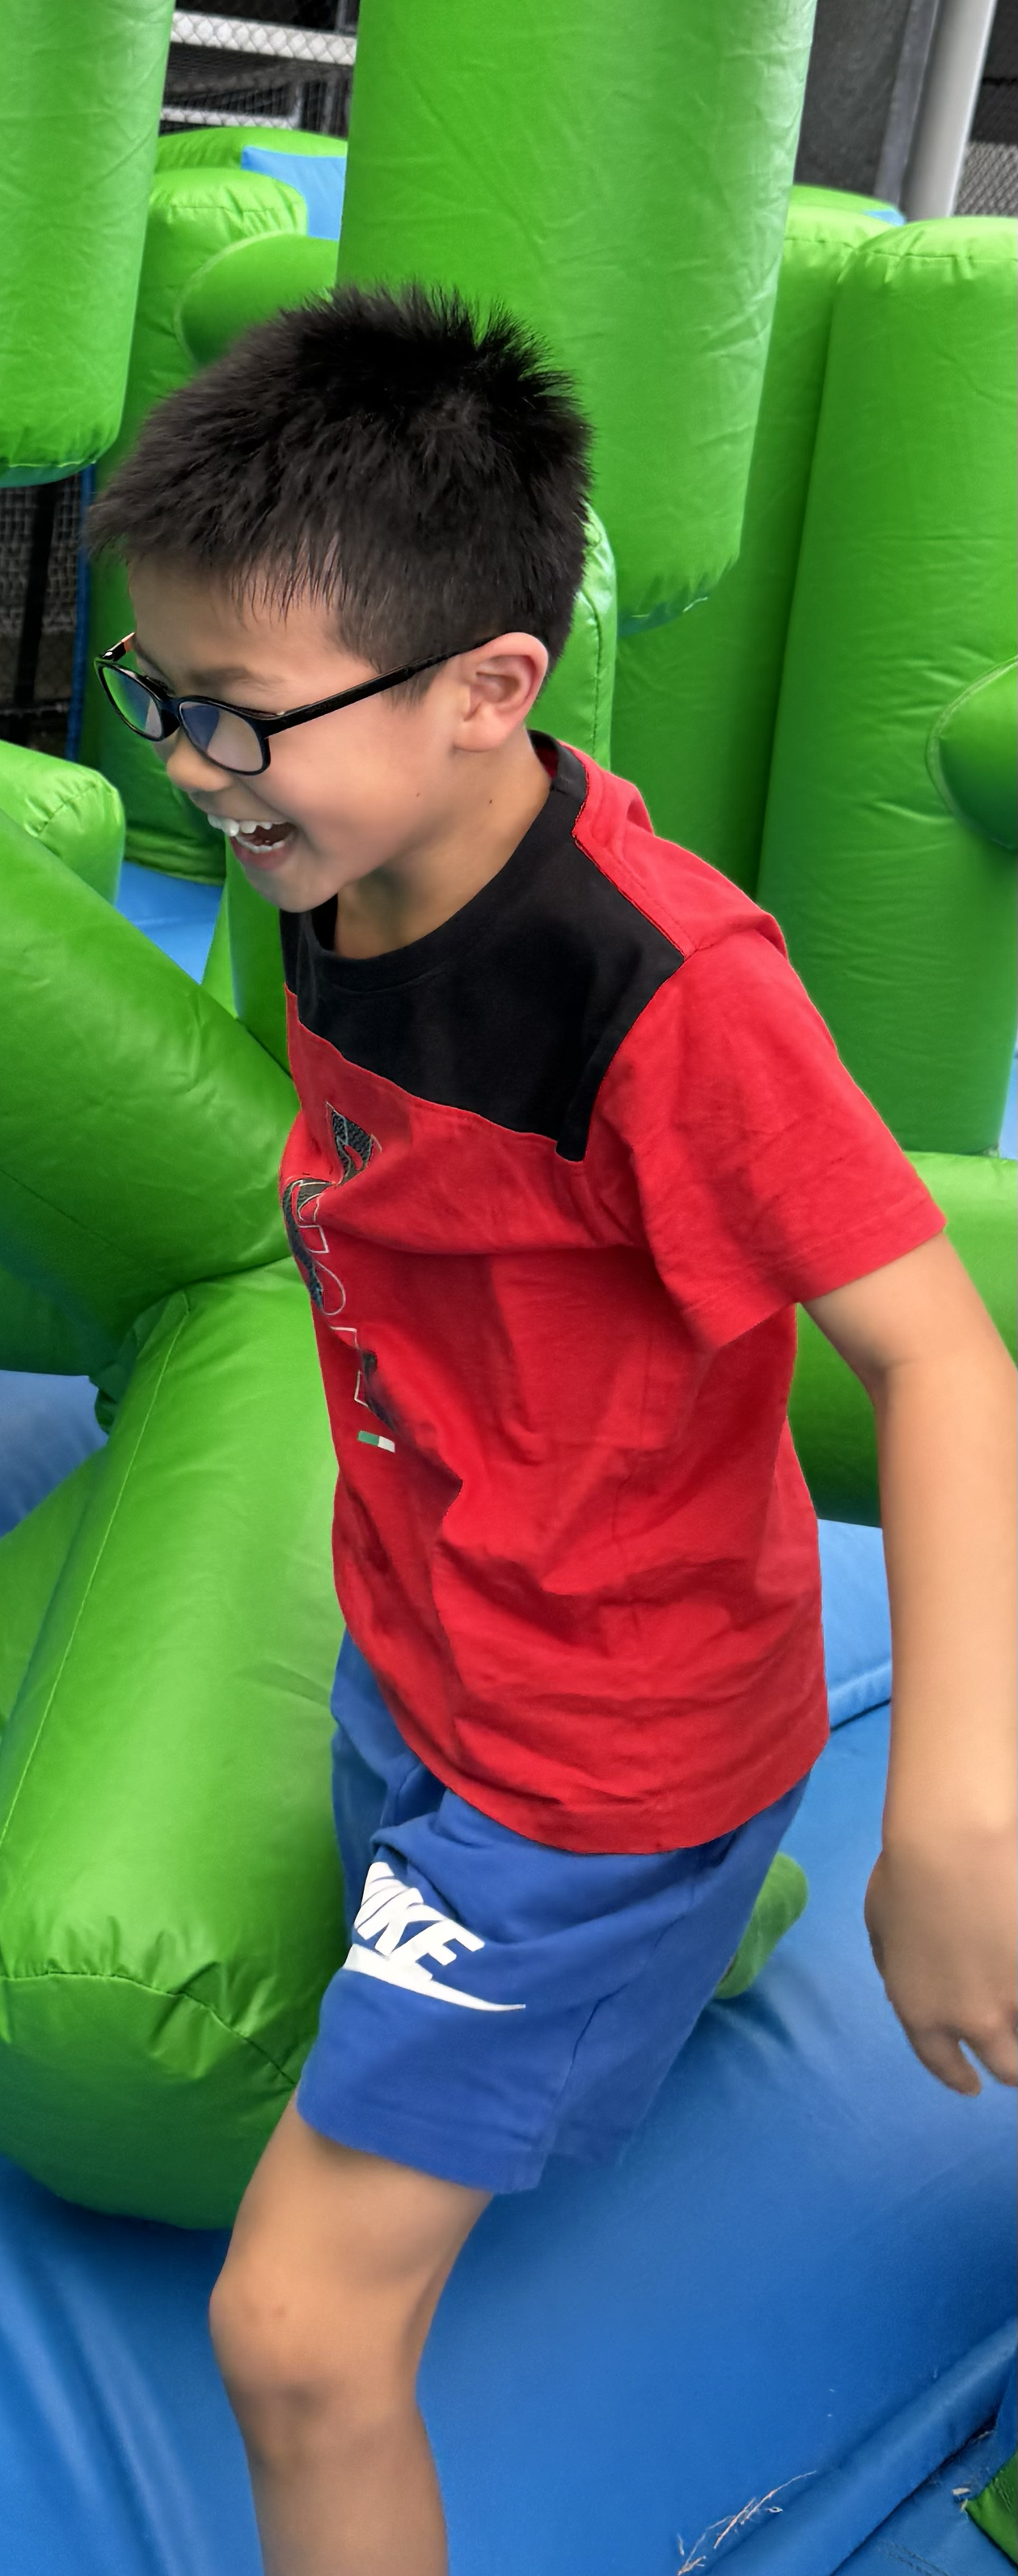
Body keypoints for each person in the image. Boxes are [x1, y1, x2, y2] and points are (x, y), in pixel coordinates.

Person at [90, 286, 1016, 2576]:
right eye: (162, 700)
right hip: (420, 1639)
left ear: (488, 687)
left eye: (241, 719)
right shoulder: (332, 856)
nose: (194, 770)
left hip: (590, 1753)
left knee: (296, 2335)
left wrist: (954, 1807)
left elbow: (940, 1354)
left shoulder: (664, 995)